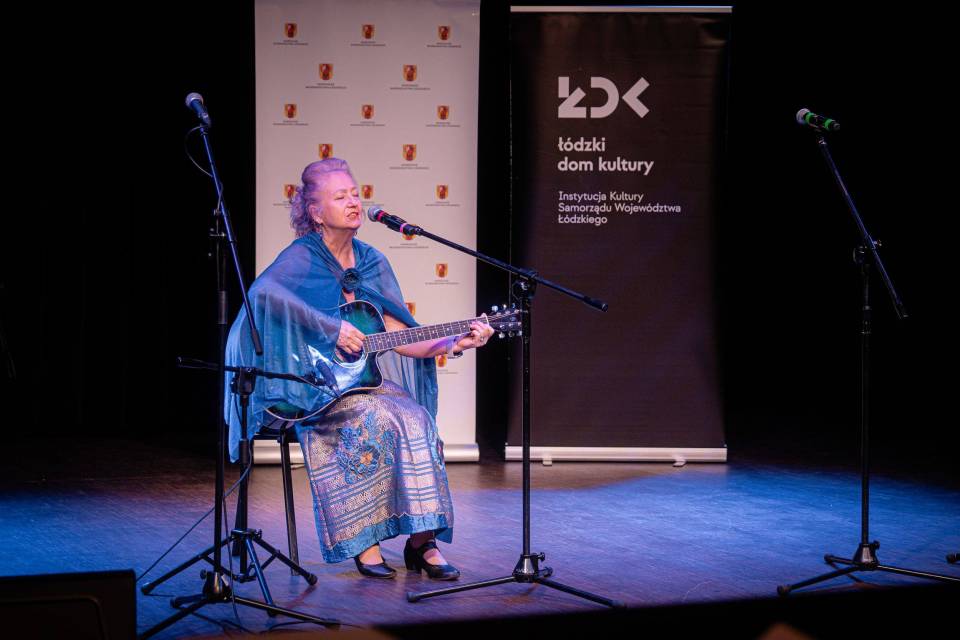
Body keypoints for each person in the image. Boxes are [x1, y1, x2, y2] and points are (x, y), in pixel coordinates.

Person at [224, 158, 493, 580]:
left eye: (354, 193)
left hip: (361, 382)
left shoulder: (372, 261)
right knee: (371, 419)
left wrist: (453, 342)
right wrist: (329, 328)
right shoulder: (302, 256)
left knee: (416, 418)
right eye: (341, 196)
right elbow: (263, 294)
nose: (353, 202)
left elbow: (399, 334)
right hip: (312, 388)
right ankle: (364, 543)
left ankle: (422, 541)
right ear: (315, 212)